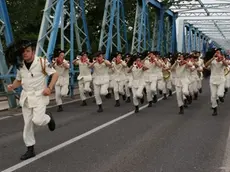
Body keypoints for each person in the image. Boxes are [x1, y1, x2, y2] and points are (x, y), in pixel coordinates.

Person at [7, 40, 58, 160]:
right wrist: (12, 86)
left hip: (39, 95)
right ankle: (30, 149)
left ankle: (48, 118)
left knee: (38, 121)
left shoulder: (42, 61)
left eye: (28, 51)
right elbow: (19, 80)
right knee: (28, 124)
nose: (25, 53)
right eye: (23, 52)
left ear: (33, 51)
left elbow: (54, 74)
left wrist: (49, 88)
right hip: (26, 98)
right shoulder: (21, 66)